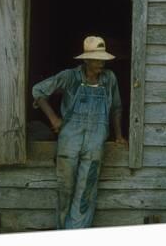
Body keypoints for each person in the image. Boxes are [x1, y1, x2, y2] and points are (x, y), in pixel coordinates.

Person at [32, 36, 127, 229]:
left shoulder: (109, 79)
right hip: (69, 142)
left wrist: (118, 135)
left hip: (95, 143)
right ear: (86, 60)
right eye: (97, 59)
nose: (101, 63)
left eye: (103, 59)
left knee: (86, 191)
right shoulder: (70, 77)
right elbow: (38, 91)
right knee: (65, 189)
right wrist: (53, 118)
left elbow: (116, 107)